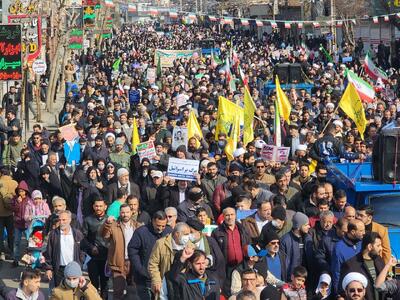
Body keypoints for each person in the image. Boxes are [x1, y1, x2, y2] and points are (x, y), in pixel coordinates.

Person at [128, 210, 171, 300]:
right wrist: (140, 268)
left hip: (163, 277)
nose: (160, 228)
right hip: (144, 278)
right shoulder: (141, 232)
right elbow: (132, 250)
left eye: (163, 226)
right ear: (152, 221)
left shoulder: (169, 231)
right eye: (158, 225)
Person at [101, 203, 140, 300]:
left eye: (127, 212)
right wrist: (107, 224)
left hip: (133, 263)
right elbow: (104, 235)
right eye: (123, 212)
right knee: (118, 293)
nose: (125, 214)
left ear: (131, 212)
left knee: (134, 292)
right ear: (120, 213)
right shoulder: (113, 225)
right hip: (118, 263)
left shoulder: (138, 226)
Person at [212, 207, 251, 296]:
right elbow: (215, 252)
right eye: (227, 215)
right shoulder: (217, 232)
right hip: (226, 267)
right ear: (223, 217)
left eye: (232, 214)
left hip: (242, 265)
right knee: (228, 292)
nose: (230, 217)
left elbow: (248, 244)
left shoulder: (243, 229)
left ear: (235, 215)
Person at [338, 232, 385, 300]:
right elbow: (343, 289)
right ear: (370, 247)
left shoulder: (379, 260)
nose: (381, 248)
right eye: (378, 246)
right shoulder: (351, 265)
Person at [44, 210, 85, 287]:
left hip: (73, 268)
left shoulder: (77, 234)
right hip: (59, 269)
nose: (61, 222)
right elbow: (49, 252)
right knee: (60, 292)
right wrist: (48, 268)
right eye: (60, 220)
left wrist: (80, 263)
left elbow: (82, 251)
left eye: (64, 220)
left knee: (73, 293)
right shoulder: (53, 234)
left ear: (70, 220)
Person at [81, 198, 109, 298]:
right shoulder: (88, 220)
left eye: (101, 206)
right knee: (94, 284)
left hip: (106, 257)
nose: (98, 208)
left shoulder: (109, 220)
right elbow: (82, 238)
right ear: (93, 207)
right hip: (92, 257)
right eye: (96, 206)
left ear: (105, 207)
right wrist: (91, 247)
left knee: (105, 284)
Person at [331, 219, 365, 293]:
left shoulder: (363, 243)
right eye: (361, 231)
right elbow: (336, 272)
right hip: (349, 290)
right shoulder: (339, 248)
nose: (364, 233)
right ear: (353, 232)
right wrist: (338, 294)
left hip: (363, 288)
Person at [280, 212, 314, 282]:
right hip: (291, 280)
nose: (309, 226)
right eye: (306, 225)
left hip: (307, 280)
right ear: (298, 227)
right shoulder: (285, 240)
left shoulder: (308, 238)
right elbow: (284, 264)